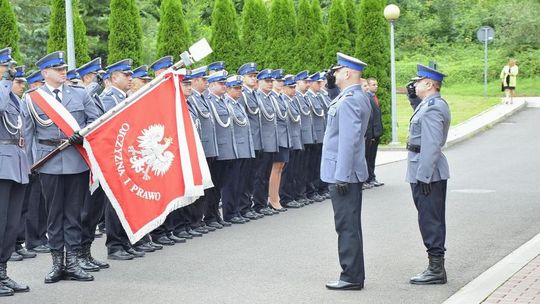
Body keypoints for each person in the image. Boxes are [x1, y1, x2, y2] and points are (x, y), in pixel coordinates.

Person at [25, 51, 99, 283]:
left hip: (76, 160)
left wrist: (82, 135)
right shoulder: (32, 98)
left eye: (64, 68)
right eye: (58, 69)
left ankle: (74, 262)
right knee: (54, 215)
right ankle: (57, 263)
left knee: (74, 214)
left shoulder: (80, 93)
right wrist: (29, 165)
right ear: (45, 73)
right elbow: (28, 134)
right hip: (49, 161)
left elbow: (95, 121)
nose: (63, 71)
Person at [322, 52, 371, 291]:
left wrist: (341, 175)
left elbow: (348, 141)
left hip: (344, 174)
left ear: (348, 73)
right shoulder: (354, 96)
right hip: (348, 172)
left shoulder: (350, 99)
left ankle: (350, 276)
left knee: (346, 226)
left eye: (338, 70)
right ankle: (353, 274)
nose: (334, 74)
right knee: (349, 224)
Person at [406, 64, 451, 285]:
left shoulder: (434, 107)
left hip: (427, 174)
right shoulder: (428, 104)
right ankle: (435, 267)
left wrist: (424, 176)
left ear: (429, 84)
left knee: (430, 220)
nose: (414, 84)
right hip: (422, 170)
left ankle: (436, 270)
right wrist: (412, 99)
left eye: (418, 81)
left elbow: (431, 144)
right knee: (429, 218)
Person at [100, 59, 146, 260]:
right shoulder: (109, 98)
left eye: (130, 75)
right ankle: (115, 245)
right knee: (115, 202)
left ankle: (126, 241)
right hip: (115, 158)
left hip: (129, 156)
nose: (131, 79)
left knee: (127, 201)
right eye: (126, 75)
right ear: (114, 77)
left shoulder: (127, 97)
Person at [0, 47, 31, 295]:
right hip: (1, 166)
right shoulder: (3, 92)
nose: (10, 71)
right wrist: (4, 82)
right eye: (5, 66)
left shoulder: (13, 97)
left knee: (11, 226)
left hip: (17, 165)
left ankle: (2, 272)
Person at [76, 57, 110, 272]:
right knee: (85, 210)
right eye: (97, 76)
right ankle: (78, 253)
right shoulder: (84, 94)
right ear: (87, 77)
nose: (101, 79)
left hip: (97, 159)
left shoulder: (95, 97)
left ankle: (86, 252)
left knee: (95, 208)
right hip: (84, 160)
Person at [237, 62, 266, 219]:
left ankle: (249, 205)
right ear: (242, 78)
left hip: (257, 140)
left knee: (254, 176)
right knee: (246, 177)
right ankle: (244, 206)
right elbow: (242, 120)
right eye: (250, 76)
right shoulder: (242, 95)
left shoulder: (254, 94)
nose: (254, 79)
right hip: (249, 142)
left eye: (255, 76)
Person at [278, 75, 304, 209]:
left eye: (294, 87)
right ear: (283, 88)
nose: (293, 90)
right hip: (289, 140)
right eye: (290, 87)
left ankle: (292, 195)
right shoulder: (284, 101)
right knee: (286, 172)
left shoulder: (292, 101)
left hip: (295, 140)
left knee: (293, 170)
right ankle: (285, 197)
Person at [268, 69, 290, 211]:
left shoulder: (281, 97)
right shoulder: (272, 98)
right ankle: (273, 199)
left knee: (281, 167)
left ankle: (276, 197)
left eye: (282, 81)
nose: (280, 83)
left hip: (284, 137)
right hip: (276, 137)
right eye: (278, 81)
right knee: (275, 168)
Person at [365, 77, 384, 188]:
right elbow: (369, 118)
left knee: (373, 157)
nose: (376, 86)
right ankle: (369, 178)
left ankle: (372, 177)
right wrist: (371, 134)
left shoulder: (374, 97)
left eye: (376, 84)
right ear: (367, 86)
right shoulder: (367, 98)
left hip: (376, 133)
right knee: (368, 157)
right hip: (371, 134)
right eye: (373, 85)